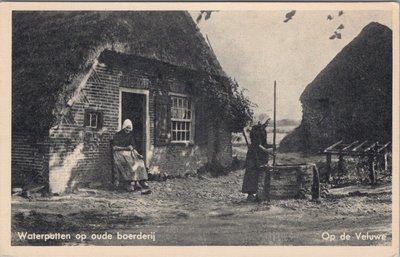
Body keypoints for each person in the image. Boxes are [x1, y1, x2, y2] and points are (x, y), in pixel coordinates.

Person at [112, 119, 150, 193]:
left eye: (129, 129)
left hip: (130, 153)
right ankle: (129, 183)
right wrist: (125, 148)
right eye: (127, 128)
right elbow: (114, 148)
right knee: (130, 162)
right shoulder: (118, 135)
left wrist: (138, 154)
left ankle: (142, 180)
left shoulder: (130, 135)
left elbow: (133, 147)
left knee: (140, 162)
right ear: (124, 127)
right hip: (119, 153)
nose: (128, 130)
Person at [241, 118, 274, 201]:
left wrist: (272, 147)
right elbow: (257, 144)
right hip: (254, 154)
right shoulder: (255, 130)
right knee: (252, 172)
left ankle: (259, 193)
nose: (267, 124)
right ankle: (250, 194)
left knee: (261, 172)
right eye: (266, 122)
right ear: (262, 121)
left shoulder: (263, 131)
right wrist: (266, 150)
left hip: (261, 154)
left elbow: (264, 143)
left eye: (268, 122)